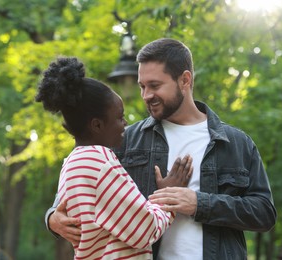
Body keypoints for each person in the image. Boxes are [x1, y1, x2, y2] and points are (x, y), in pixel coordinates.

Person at [45, 39, 277, 259]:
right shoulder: (124, 139)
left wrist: (199, 203)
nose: (146, 95)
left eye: (155, 85)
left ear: (185, 80)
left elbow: (264, 213)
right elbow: (79, 186)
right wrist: (53, 217)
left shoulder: (237, 143)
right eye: (142, 86)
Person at [36, 56, 193, 259]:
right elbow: (144, 231)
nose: (125, 123)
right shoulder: (100, 163)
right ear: (97, 125)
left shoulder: (72, 163)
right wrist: (166, 196)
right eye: (119, 117)